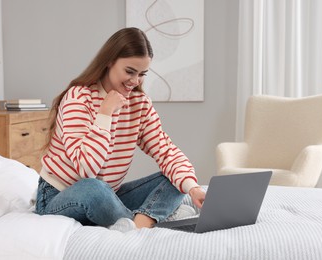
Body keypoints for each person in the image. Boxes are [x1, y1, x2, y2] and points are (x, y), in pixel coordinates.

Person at [35, 27, 206, 232]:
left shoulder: (139, 103)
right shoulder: (78, 97)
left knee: (175, 178)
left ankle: (140, 222)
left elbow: (164, 150)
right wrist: (105, 113)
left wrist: (192, 188)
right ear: (109, 61)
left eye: (142, 74)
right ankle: (153, 220)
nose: (135, 81)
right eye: (129, 71)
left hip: (110, 197)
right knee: (95, 189)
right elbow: (87, 169)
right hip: (59, 195)